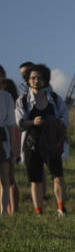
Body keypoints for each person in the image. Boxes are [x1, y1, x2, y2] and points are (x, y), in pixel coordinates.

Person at [16, 64, 69, 216]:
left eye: (39, 78)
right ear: (28, 80)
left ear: (45, 80)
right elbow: (20, 122)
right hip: (32, 143)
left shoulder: (55, 98)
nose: (36, 81)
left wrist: (56, 123)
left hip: (52, 143)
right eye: (33, 78)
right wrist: (33, 122)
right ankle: (39, 212)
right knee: (36, 180)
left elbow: (65, 118)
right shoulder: (23, 100)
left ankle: (61, 208)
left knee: (58, 176)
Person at [0, 78, 19, 214]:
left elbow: (11, 123)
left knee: (5, 179)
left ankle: (4, 211)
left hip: (2, 138)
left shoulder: (6, 97)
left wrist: (12, 146)